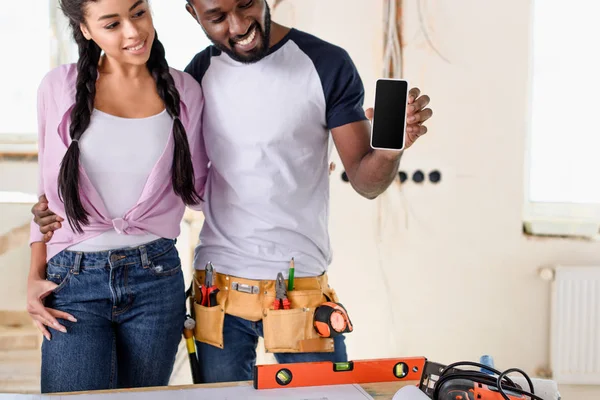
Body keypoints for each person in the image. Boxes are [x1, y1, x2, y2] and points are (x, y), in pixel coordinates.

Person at [32, 0, 433, 384]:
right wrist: (45, 244)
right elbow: (177, 179)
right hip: (215, 287)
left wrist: (387, 149)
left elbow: (366, 182)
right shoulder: (197, 76)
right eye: (217, 16)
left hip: (295, 285)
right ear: (193, 14)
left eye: (245, 5)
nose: (238, 26)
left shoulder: (321, 64)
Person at [26, 0, 208, 393]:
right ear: (87, 31)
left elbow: (199, 190)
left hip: (156, 279)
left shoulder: (185, 90)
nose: (132, 31)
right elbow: (45, 193)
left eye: (138, 12)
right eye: (112, 24)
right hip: (72, 281)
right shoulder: (58, 86)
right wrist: (33, 276)